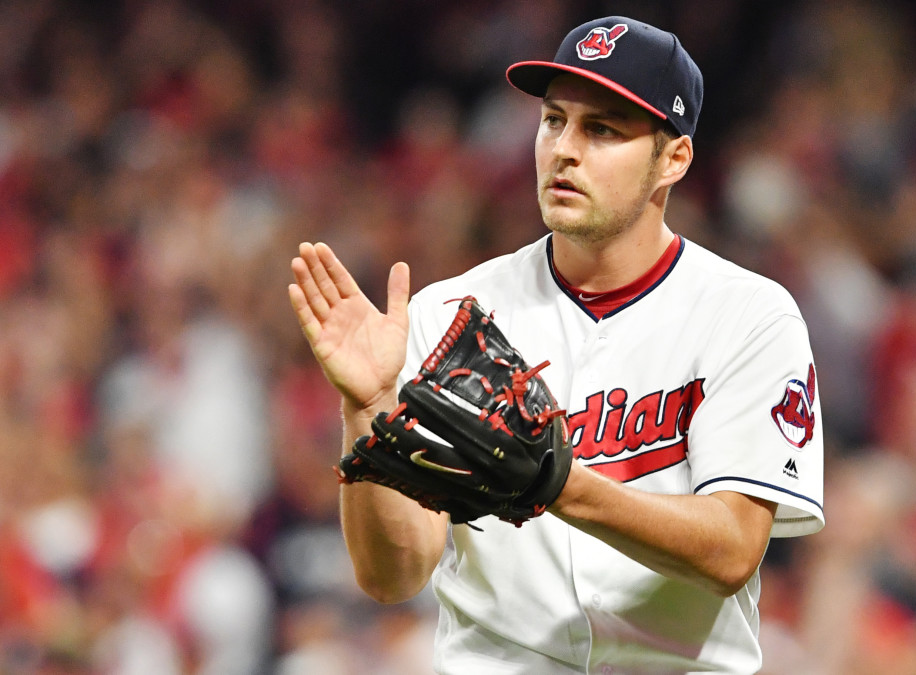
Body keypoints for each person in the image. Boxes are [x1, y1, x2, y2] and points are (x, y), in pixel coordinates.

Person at [289, 16, 824, 674]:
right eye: (553, 120)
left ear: (674, 157)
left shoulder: (748, 315)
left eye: (602, 129)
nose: (564, 149)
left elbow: (732, 548)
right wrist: (367, 407)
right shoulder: (452, 315)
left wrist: (560, 485)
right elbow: (393, 575)